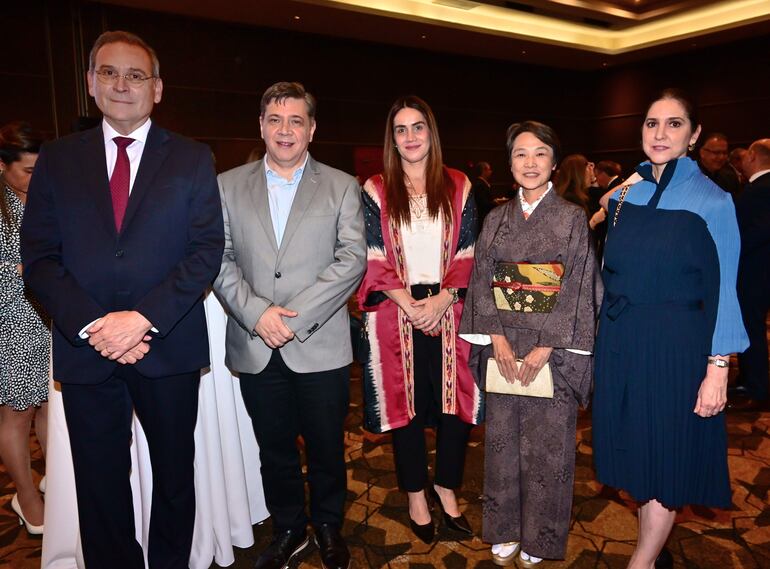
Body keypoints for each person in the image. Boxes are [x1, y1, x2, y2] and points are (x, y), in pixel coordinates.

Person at [20, 31, 224, 568]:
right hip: (86, 349)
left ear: (157, 89)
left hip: (168, 345)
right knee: (100, 485)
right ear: (90, 83)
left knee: (176, 478)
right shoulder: (58, 160)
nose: (121, 85)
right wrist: (95, 325)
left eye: (136, 75)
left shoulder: (192, 158)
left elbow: (205, 251)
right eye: (108, 72)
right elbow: (39, 259)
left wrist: (142, 320)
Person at [592, 88, 748, 569]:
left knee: (663, 453)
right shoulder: (625, 193)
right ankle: (654, 554)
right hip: (622, 340)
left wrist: (718, 368)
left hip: (676, 346)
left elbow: (726, 290)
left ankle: (641, 561)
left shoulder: (714, 201)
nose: (660, 134)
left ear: (694, 134)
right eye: (652, 123)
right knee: (636, 450)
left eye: (674, 124)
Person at [213, 81, 365, 569]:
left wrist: (290, 318)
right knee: (273, 447)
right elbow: (218, 258)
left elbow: (352, 260)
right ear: (260, 125)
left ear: (312, 129)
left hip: (319, 343)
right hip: (256, 345)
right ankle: (288, 528)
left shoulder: (341, 185)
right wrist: (259, 314)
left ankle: (327, 523)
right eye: (275, 120)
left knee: (326, 447)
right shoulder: (226, 184)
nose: (285, 130)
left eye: (296, 120)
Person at [459, 120, 599, 567]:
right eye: (521, 154)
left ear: (555, 163)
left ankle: (540, 535)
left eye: (540, 153)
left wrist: (548, 346)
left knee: (549, 447)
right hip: (503, 344)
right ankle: (503, 527)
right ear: (509, 163)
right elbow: (482, 279)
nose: (531, 162)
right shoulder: (496, 219)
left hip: (552, 351)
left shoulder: (572, 218)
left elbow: (579, 287)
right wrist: (495, 336)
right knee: (502, 441)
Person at [357, 95, 480, 544]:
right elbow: (370, 254)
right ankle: (415, 493)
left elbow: (469, 251)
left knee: (455, 406)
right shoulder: (375, 189)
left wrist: (443, 299)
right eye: (400, 130)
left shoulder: (460, 185)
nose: (410, 137)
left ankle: (446, 488)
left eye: (418, 127)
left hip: (451, 307)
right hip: (396, 309)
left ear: (432, 132)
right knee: (405, 409)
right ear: (392, 139)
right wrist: (411, 305)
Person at [0, 121, 49, 535]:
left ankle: (57, 481)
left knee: (50, 407)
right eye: (28, 171)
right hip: (11, 323)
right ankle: (25, 497)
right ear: (3, 167)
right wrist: (25, 269)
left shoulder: (45, 198)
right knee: (18, 415)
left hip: (51, 318)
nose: (36, 177)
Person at [730, 139, 770, 411]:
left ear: (753, 155)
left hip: (755, 272)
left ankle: (756, 387)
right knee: (751, 327)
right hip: (759, 271)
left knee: (751, 328)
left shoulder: (761, 188)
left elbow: (758, 231)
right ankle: (749, 379)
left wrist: (730, 247)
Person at [698, 132, 742, 197]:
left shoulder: (729, 177)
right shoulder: (689, 176)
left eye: (724, 153)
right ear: (702, 153)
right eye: (716, 152)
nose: (721, 157)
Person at [471, 160, 496, 228]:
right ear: (484, 171)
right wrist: (496, 203)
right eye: (489, 169)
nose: (491, 172)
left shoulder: (481, 183)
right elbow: (483, 203)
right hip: (483, 217)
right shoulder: (480, 185)